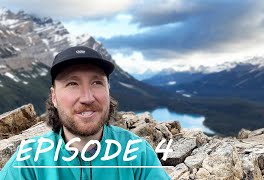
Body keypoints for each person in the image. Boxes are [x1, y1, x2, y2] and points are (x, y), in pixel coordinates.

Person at [0, 46, 171, 180]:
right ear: (54, 97)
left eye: (97, 82)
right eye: (72, 84)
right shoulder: (27, 162)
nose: (87, 98)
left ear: (108, 90)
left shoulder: (138, 154)